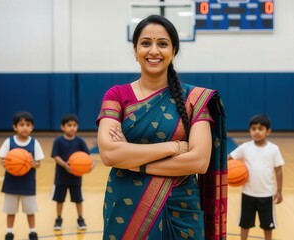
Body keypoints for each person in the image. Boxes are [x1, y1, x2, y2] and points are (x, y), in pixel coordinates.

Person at [96, 14, 227, 240]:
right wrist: (173, 147)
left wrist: (133, 161)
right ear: (135, 50)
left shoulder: (193, 99)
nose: (154, 51)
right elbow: (109, 153)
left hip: (181, 206)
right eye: (146, 43)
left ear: (173, 51)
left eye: (162, 44)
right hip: (126, 204)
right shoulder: (117, 95)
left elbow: (198, 161)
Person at [228, 114, 284, 240]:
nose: (256, 132)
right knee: (244, 223)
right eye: (253, 129)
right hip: (248, 193)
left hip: (266, 194)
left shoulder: (273, 149)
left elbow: (278, 171)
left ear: (268, 131)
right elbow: (229, 158)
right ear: (250, 130)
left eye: (260, 129)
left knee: (268, 225)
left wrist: (279, 191)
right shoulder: (245, 147)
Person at [0, 111, 45, 240]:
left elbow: (38, 164)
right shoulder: (9, 142)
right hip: (11, 182)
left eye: (28, 124)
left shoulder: (35, 143)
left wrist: (29, 163)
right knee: (10, 210)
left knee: (30, 210)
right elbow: (2, 160)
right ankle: (9, 231)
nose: (25, 127)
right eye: (21, 124)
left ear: (32, 127)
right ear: (15, 127)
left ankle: (32, 231)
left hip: (27, 183)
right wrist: (6, 163)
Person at [51, 114, 94, 230]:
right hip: (61, 177)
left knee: (78, 199)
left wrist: (91, 165)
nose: (72, 128)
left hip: (76, 177)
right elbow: (55, 156)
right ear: (62, 127)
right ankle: (58, 219)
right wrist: (65, 165)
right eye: (69, 125)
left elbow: (88, 156)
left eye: (74, 125)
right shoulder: (58, 141)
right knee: (59, 200)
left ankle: (80, 219)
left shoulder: (80, 141)